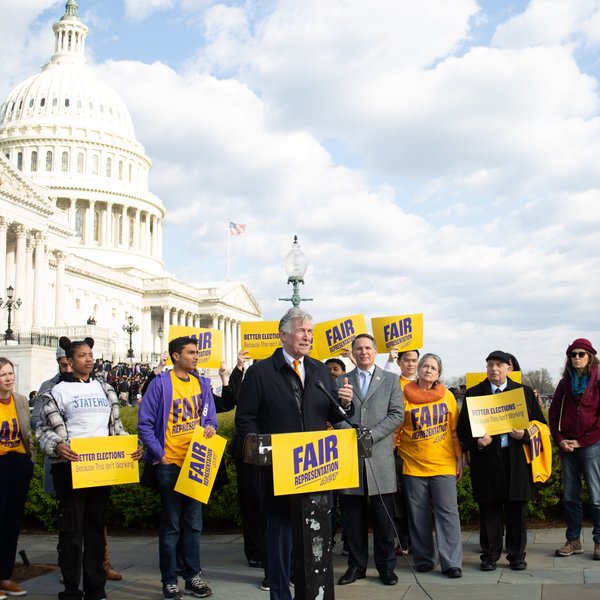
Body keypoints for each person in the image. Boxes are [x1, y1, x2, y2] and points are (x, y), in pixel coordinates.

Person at [235, 308, 353, 600]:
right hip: (279, 471)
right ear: (283, 334)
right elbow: (245, 420)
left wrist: (346, 406)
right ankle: (279, 593)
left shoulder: (320, 369)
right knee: (280, 539)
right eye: (301, 330)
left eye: (310, 331)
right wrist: (264, 449)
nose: (307, 336)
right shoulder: (260, 372)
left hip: (316, 467)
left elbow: (331, 413)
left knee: (314, 541)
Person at [36, 336, 142, 600]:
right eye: (82, 355)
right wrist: (57, 446)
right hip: (69, 469)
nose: (89, 358)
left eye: (90, 354)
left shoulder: (105, 389)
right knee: (72, 534)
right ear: (69, 362)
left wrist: (132, 445)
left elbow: (115, 428)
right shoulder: (55, 392)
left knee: (96, 532)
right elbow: (41, 430)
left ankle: (97, 590)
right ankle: (71, 590)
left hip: (100, 469)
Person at [138, 337, 218, 600]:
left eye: (197, 352)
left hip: (196, 462)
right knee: (171, 526)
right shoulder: (160, 384)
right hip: (170, 464)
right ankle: (170, 580)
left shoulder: (202, 384)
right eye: (191, 353)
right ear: (175, 356)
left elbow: (210, 418)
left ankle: (193, 575)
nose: (196, 357)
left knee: (194, 525)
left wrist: (211, 427)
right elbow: (145, 423)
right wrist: (160, 455)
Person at [457, 350, 546, 572]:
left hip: (516, 459)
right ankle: (490, 555)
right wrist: (477, 442)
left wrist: (525, 434)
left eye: (499, 364)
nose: (494, 369)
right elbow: (462, 429)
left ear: (509, 368)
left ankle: (517, 555)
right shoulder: (475, 394)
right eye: (490, 365)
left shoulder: (523, 393)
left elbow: (540, 424)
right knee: (489, 508)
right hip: (486, 460)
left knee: (517, 508)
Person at [335, 334, 403, 586]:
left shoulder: (391, 380)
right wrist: (350, 431)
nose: (363, 352)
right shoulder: (341, 380)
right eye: (358, 348)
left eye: (367, 348)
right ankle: (356, 566)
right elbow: (335, 413)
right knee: (352, 519)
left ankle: (386, 568)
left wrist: (371, 435)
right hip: (351, 457)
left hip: (380, 457)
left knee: (384, 519)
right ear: (353, 353)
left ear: (375, 352)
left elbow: (397, 415)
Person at [397, 353, 463, 577]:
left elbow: (454, 431)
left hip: (443, 463)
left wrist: (459, 459)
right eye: (424, 365)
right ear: (418, 369)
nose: (427, 370)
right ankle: (424, 559)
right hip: (413, 464)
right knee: (418, 515)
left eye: (433, 367)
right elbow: (396, 429)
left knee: (448, 513)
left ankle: (452, 562)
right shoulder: (403, 395)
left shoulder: (448, 397)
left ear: (439, 373)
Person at [549, 338, 600, 560]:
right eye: (573, 354)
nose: (576, 357)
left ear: (590, 356)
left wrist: (584, 441)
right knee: (571, 496)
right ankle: (573, 541)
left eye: (581, 354)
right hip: (567, 445)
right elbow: (553, 414)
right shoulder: (565, 382)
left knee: (596, 496)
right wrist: (560, 439)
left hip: (591, 444)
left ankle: (599, 542)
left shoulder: (598, 381)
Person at [0, 358, 34, 598]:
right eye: (3, 375)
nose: (8, 378)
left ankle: (5, 576)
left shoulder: (20, 400)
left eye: (10, 373)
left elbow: (26, 433)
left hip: (18, 464)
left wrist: (28, 461)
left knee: (12, 524)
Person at [391, 349, 420, 555]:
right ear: (399, 362)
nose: (411, 364)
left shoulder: (425, 385)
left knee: (416, 499)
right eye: (406, 360)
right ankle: (404, 541)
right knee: (398, 498)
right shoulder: (391, 383)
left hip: (417, 449)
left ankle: (418, 540)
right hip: (394, 449)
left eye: (414, 360)